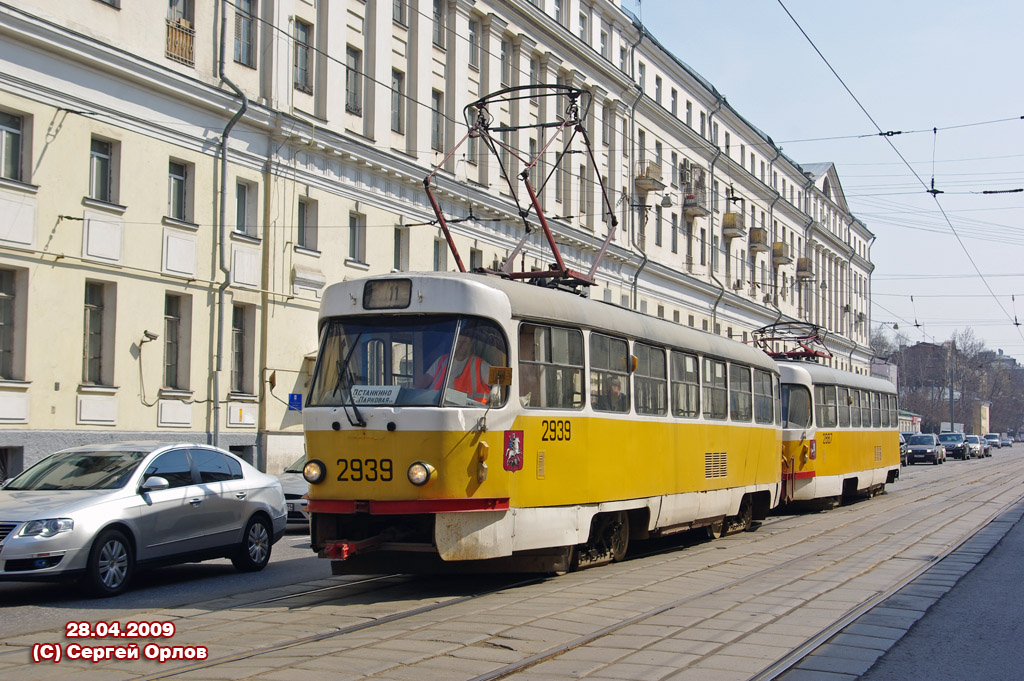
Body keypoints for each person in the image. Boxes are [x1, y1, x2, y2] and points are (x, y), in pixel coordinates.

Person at [421, 329, 493, 404]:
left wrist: (496, 389)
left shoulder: (479, 364)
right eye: (458, 342)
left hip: (466, 410)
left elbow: (498, 381)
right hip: (434, 406)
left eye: (464, 342)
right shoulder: (442, 360)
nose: (461, 345)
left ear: (470, 344)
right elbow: (423, 381)